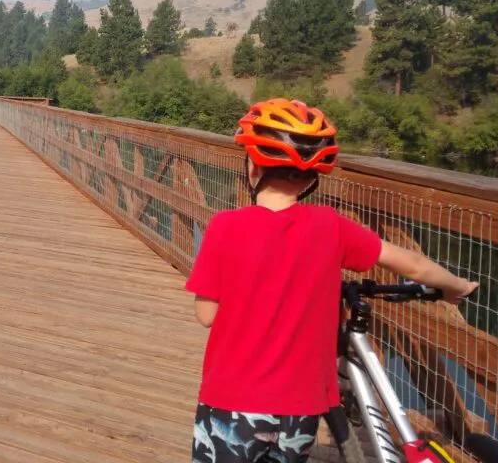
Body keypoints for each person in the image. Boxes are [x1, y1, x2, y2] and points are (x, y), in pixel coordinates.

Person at [186, 98, 477, 463]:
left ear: (252, 166)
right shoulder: (330, 226)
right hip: (301, 410)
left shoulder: (225, 227)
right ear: (312, 177)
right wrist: (456, 285)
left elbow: (207, 314)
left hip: (232, 403)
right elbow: (413, 265)